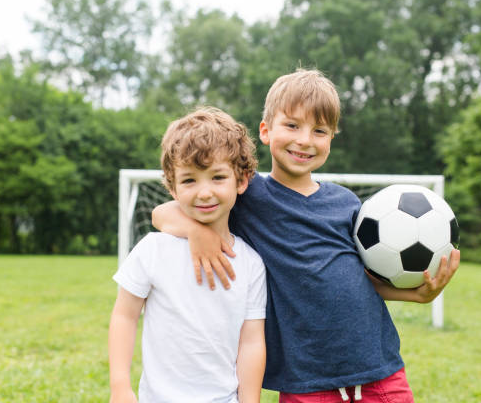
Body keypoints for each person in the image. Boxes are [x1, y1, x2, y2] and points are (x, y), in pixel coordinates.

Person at [152, 69, 460, 402]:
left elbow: (358, 281)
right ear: (266, 131)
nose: (305, 140)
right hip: (306, 381)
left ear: (331, 139)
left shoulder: (345, 204)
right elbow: (162, 213)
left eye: (319, 130)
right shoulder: (248, 195)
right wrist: (197, 232)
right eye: (292, 126)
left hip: (379, 371)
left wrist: (415, 296)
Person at [109, 107, 267, 403]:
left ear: (241, 180)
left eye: (218, 177)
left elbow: (251, 341)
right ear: (172, 187)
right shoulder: (153, 249)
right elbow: (124, 316)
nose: (204, 192)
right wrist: (120, 386)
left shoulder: (250, 263)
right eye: (190, 180)